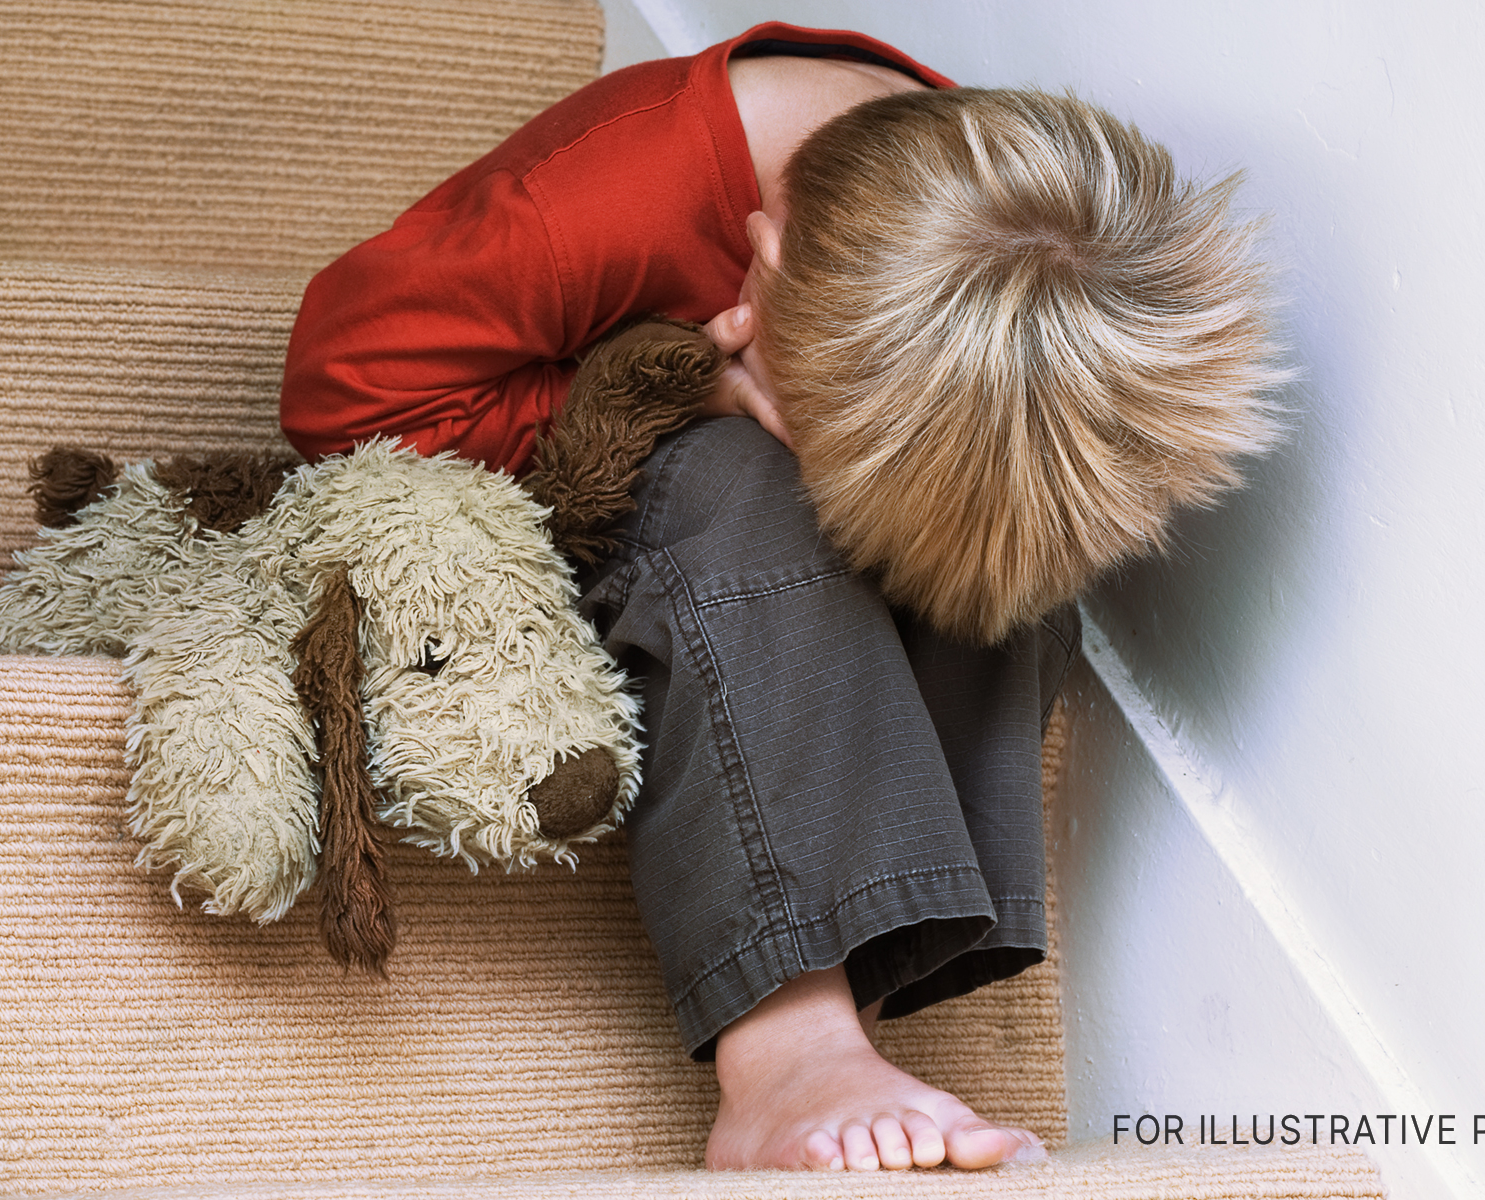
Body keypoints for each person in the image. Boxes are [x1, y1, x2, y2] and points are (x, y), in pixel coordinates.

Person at [281, 22, 1282, 1173]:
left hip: (796, 506)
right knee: (743, 483)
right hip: (564, 497)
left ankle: (880, 949)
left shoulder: (990, 201)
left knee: (1014, 566)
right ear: (763, 251)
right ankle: (786, 1055)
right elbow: (337, 394)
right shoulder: (594, 204)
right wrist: (687, 387)